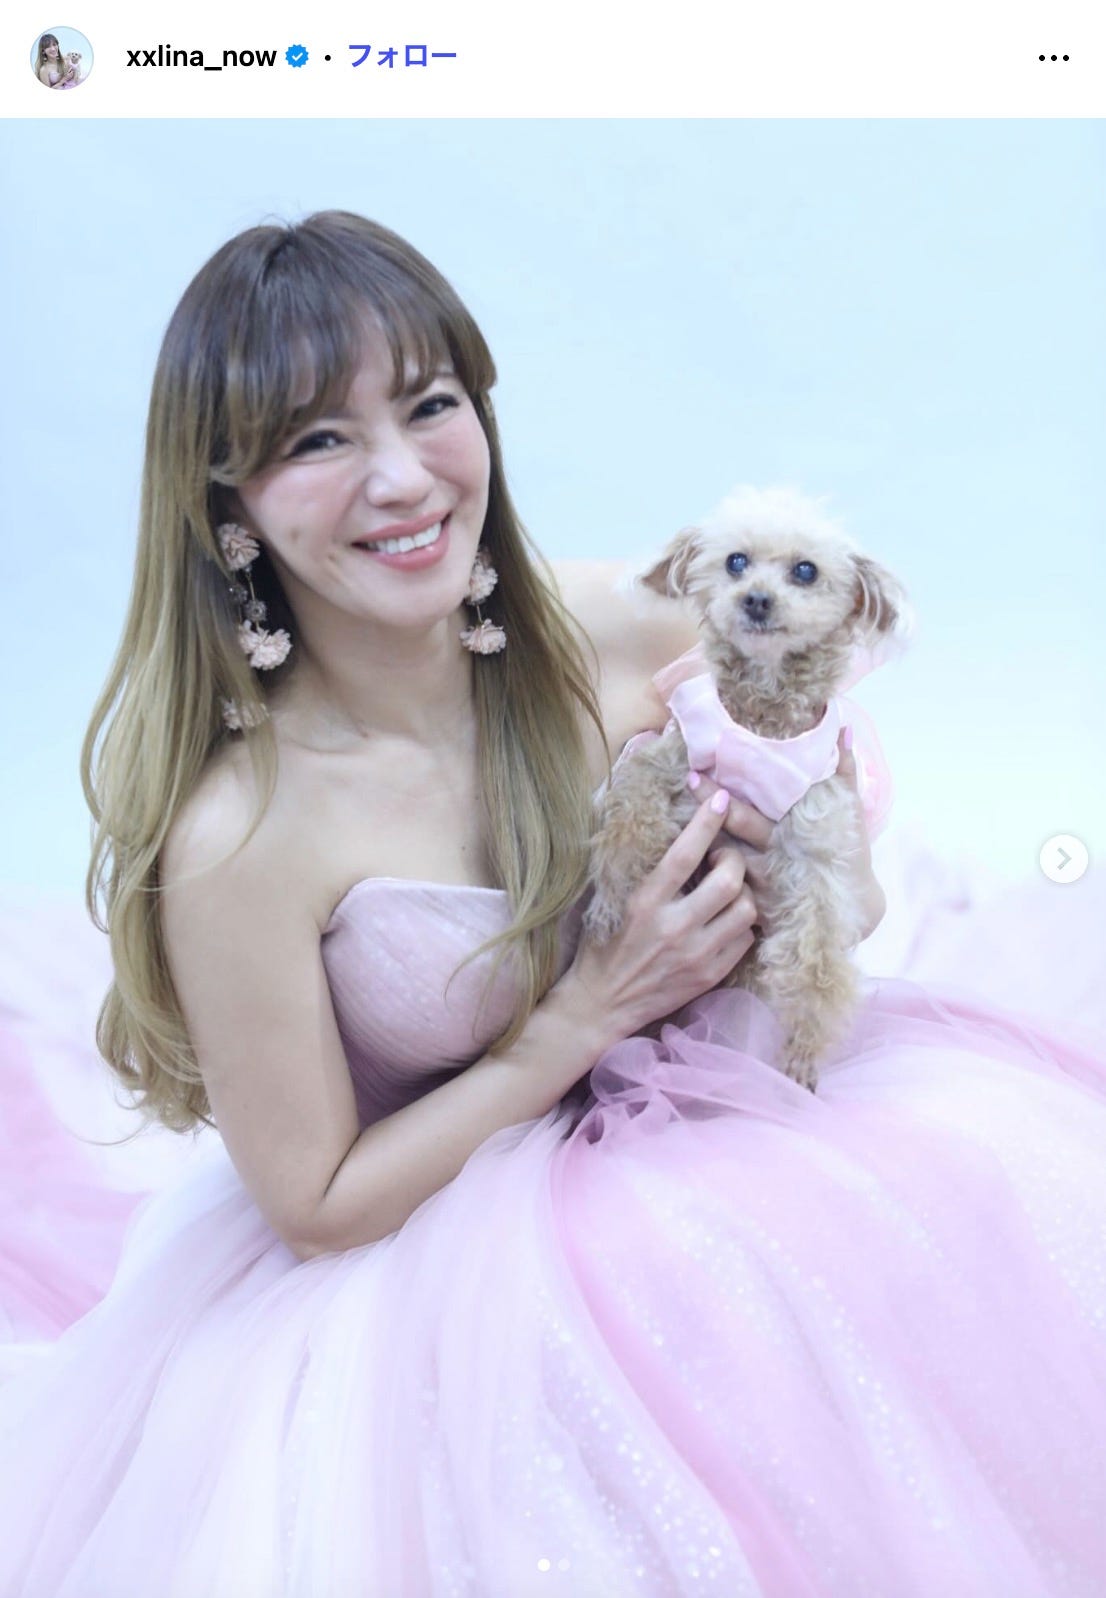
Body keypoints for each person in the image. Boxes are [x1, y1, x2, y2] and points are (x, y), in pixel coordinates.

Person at [1, 210, 1104, 1597]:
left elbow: (842, 854)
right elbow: (319, 1206)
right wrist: (585, 1013)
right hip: (440, 1255)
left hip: (730, 1116)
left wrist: (773, 877)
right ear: (231, 502)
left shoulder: (635, 630)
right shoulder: (245, 833)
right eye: (319, 439)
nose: (403, 478)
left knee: (961, 1227)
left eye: (429, 405)